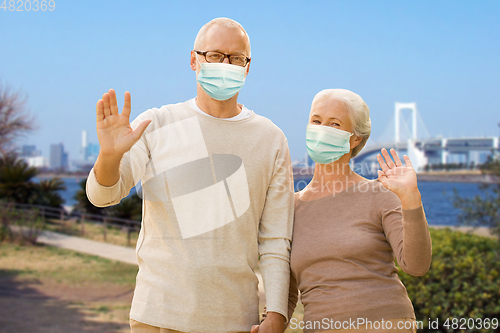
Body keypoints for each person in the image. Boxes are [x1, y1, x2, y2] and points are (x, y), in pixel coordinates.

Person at [86, 18, 293, 333]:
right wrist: (110, 155)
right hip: (157, 315)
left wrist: (276, 316)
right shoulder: (156, 123)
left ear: (248, 67)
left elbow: (276, 239)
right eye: (215, 55)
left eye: (237, 58)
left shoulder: (271, 139)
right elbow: (103, 195)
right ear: (194, 60)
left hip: (235, 319)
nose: (226, 64)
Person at [252, 89, 432, 333]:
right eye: (316, 121)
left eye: (334, 124)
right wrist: (270, 323)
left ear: (355, 138)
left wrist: (411, 199)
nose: (321, 129)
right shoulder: (289, 208)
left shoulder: (379, 194)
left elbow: (416, 265)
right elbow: (286, 291)